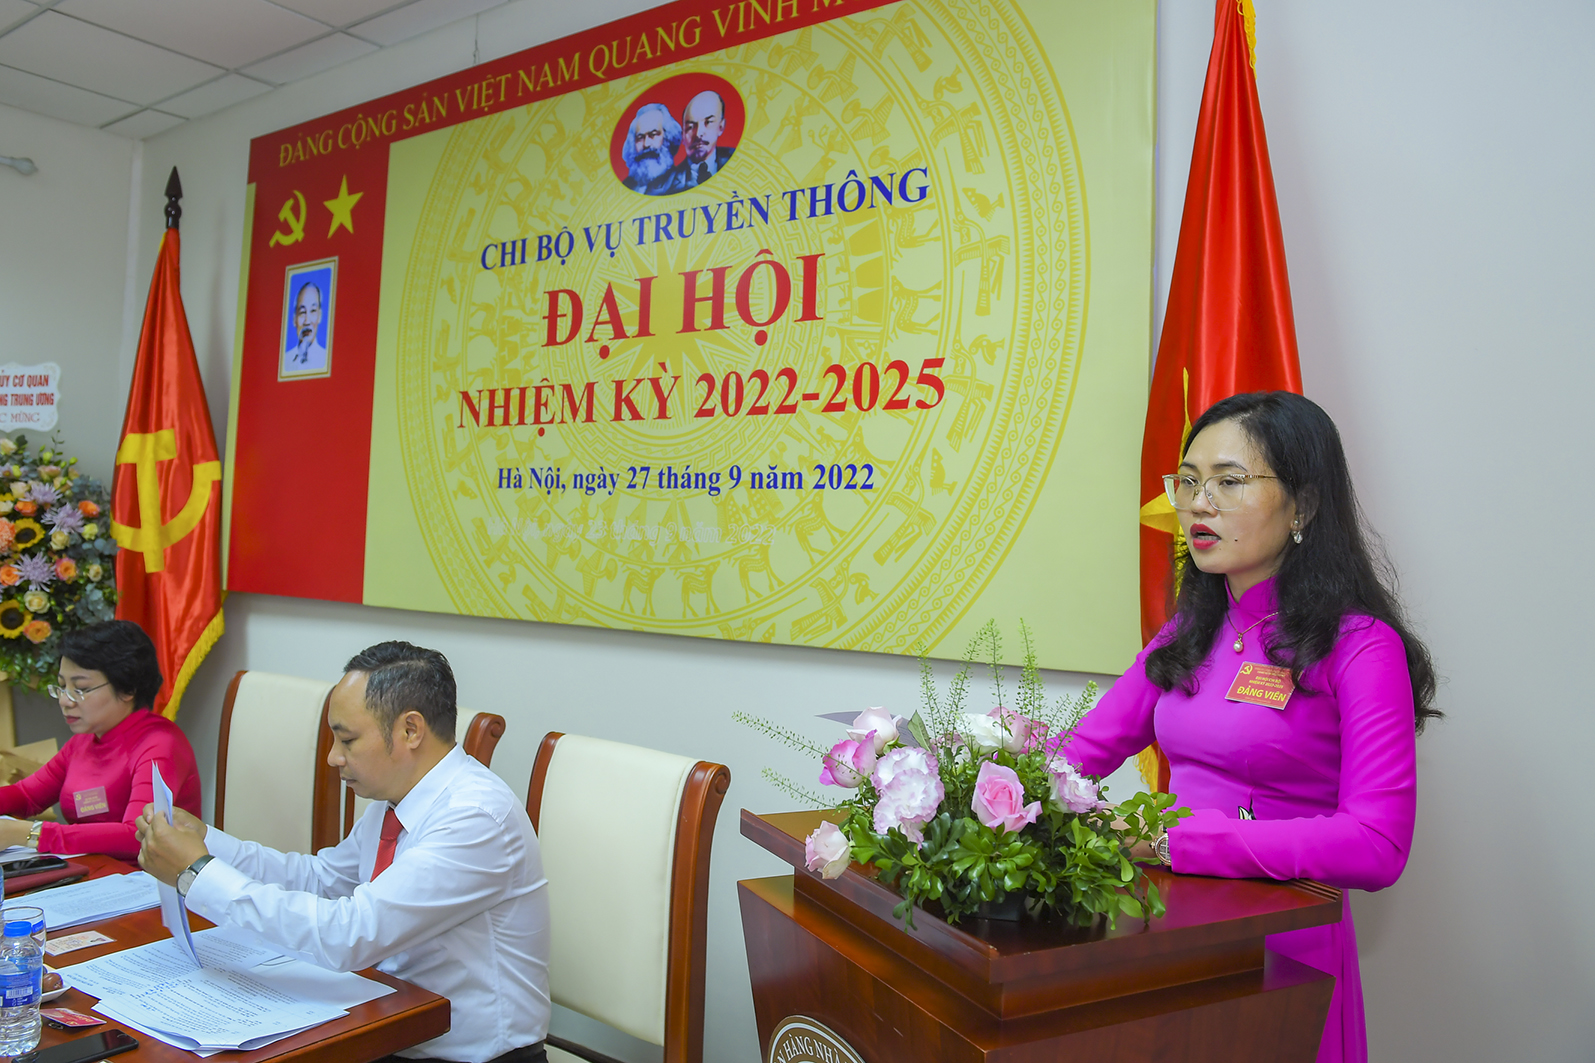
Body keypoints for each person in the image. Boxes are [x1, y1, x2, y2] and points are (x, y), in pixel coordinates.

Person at [1061, 391, 1437, 1063]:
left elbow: (1377, 845)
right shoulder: (1189, 631)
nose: (1198, 504)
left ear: (1303, 506)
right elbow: (1076, 757)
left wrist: (1176, 841)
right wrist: (981, 783)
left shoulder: (1359, 647)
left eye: (1228, 482)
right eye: (1188, 482)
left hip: (1283, 948)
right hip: (1174, 930)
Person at [136, 641, 549, 1063]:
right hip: (386, 1026)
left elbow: (347, 935)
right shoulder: (398, 800)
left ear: (410, 730)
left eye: (347, 740)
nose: (333, 757)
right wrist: (207, 842)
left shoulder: (475, 819)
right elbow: (320, 880)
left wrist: (197, 872)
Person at [0, 620, 201, 858]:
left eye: (81, 689)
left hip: (142, 875)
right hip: (89, 869)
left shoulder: (160, 744)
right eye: (62, 687)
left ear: (127, 688)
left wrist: (29, 834)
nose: (65, 701)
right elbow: (26, 796)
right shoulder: (83, 741)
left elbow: (137, 836)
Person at [667, 90, 735, 192]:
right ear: (682, 135)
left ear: (721, 127)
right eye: (690, 127)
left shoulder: (737, 159)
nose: (698, 133)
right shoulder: (667, 183)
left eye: (708, 122)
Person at [621, 102, 682, 195]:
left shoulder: (680, 183)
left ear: (667, 138)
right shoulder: (626, 186)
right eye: (640, 138)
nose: (646, 144)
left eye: (653, 135)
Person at [285, 281, 327, 371]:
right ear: (294, 319)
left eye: (313, 311)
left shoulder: (325, 359)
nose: (307, 321)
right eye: (302, 312)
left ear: (320, 316)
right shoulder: (285, 361)